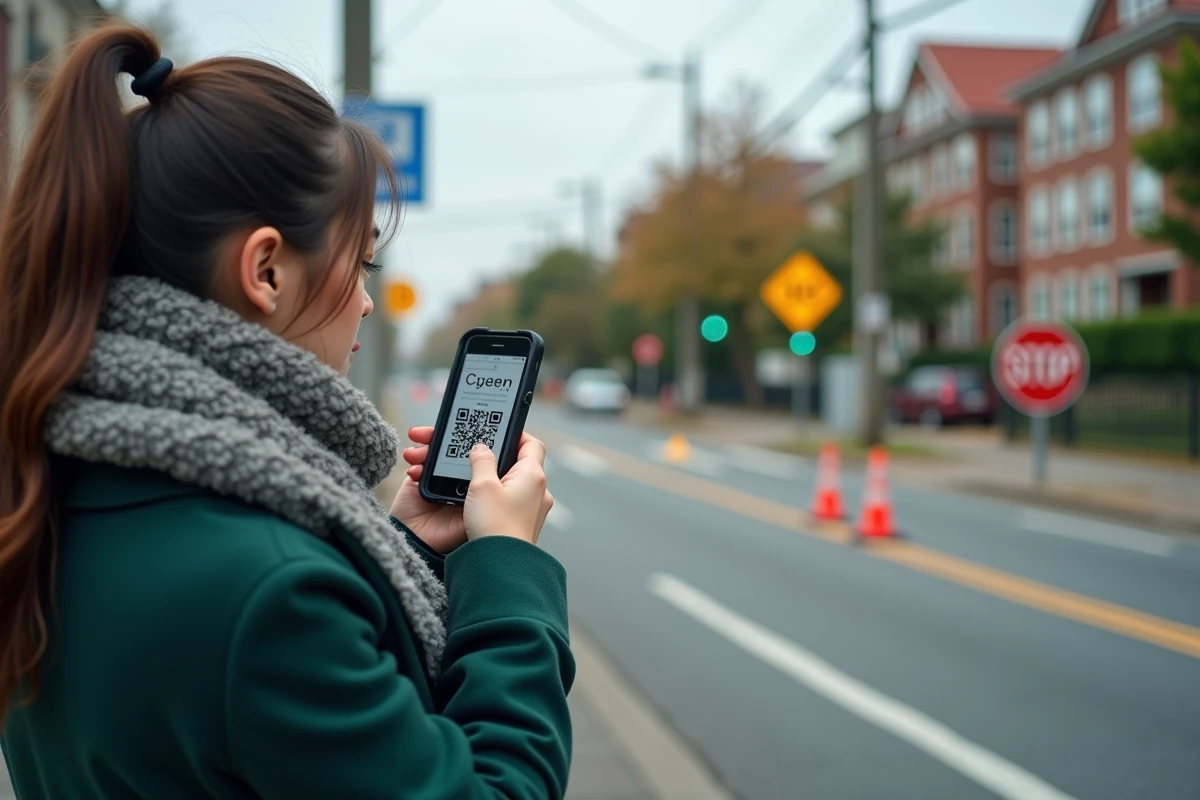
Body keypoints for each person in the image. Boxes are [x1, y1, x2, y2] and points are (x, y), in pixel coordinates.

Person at [0, 24, 572, 800]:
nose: (367, 303)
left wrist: (402, 550)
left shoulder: (54, 490)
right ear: (266, 269)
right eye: (361, 261)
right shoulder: (274, 594)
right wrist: (508, 570)